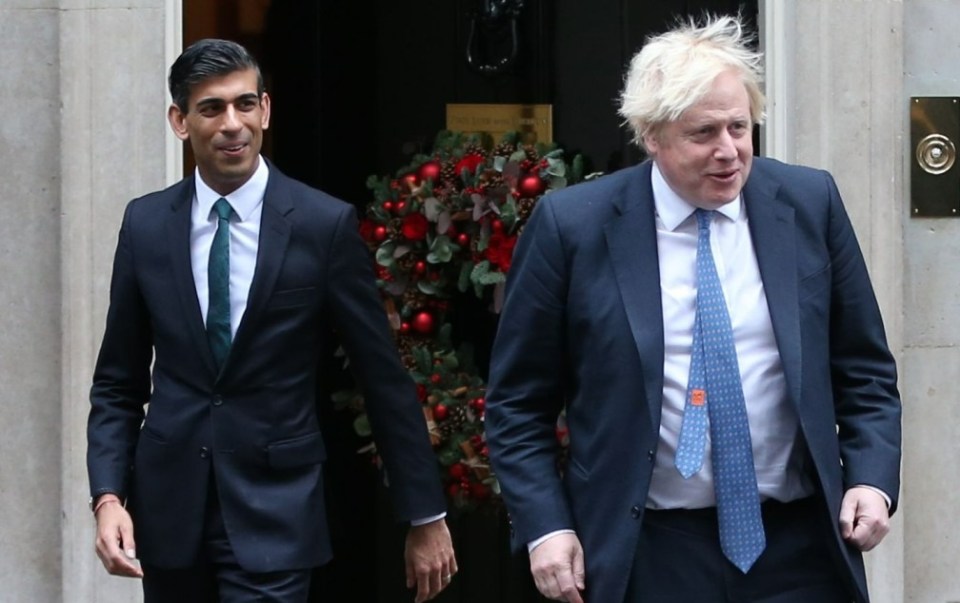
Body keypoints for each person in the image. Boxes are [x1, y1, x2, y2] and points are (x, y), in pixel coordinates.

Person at [484, 14, 901, 603]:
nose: (728, 151)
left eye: (739, 127)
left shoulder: (809, 204)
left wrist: (872, 479)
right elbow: (517, 404)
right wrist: (546, 526)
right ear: (651, 136)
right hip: (649, 550)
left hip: (801, 546)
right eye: (704, 133)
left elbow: (865, 371)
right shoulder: (572, 227)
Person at [86, 38, 456, 603]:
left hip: (276, 515)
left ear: (266, 109)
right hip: (169, 517)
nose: (232, 124)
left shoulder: (322, 225)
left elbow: (381, 378)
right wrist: (108, 496)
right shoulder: (145, 225)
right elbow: (118, 382)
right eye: (211, 108)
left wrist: (424, 513)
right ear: (180, 122)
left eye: (244, 104)